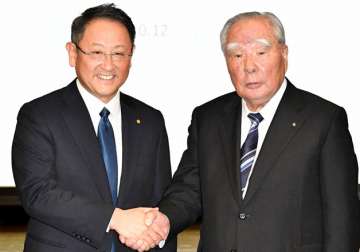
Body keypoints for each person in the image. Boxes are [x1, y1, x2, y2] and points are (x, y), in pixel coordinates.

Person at [141, 11, 360, 252]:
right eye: (237, 54)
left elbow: (342, 223)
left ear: (284, 54)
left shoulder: (324, 120)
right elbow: (189, 190)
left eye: (261, 53)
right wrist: (163, 221)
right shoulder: (208, 118)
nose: (249, 66)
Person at [12, 3, 176, 252]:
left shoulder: (151, 120)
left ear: (131, 56)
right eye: (97, 53)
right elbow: (37, 193)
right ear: (72, 53)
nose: (108, 65)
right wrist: (115, 218)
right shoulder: (39, 114)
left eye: (119, 54)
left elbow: (160, 204)